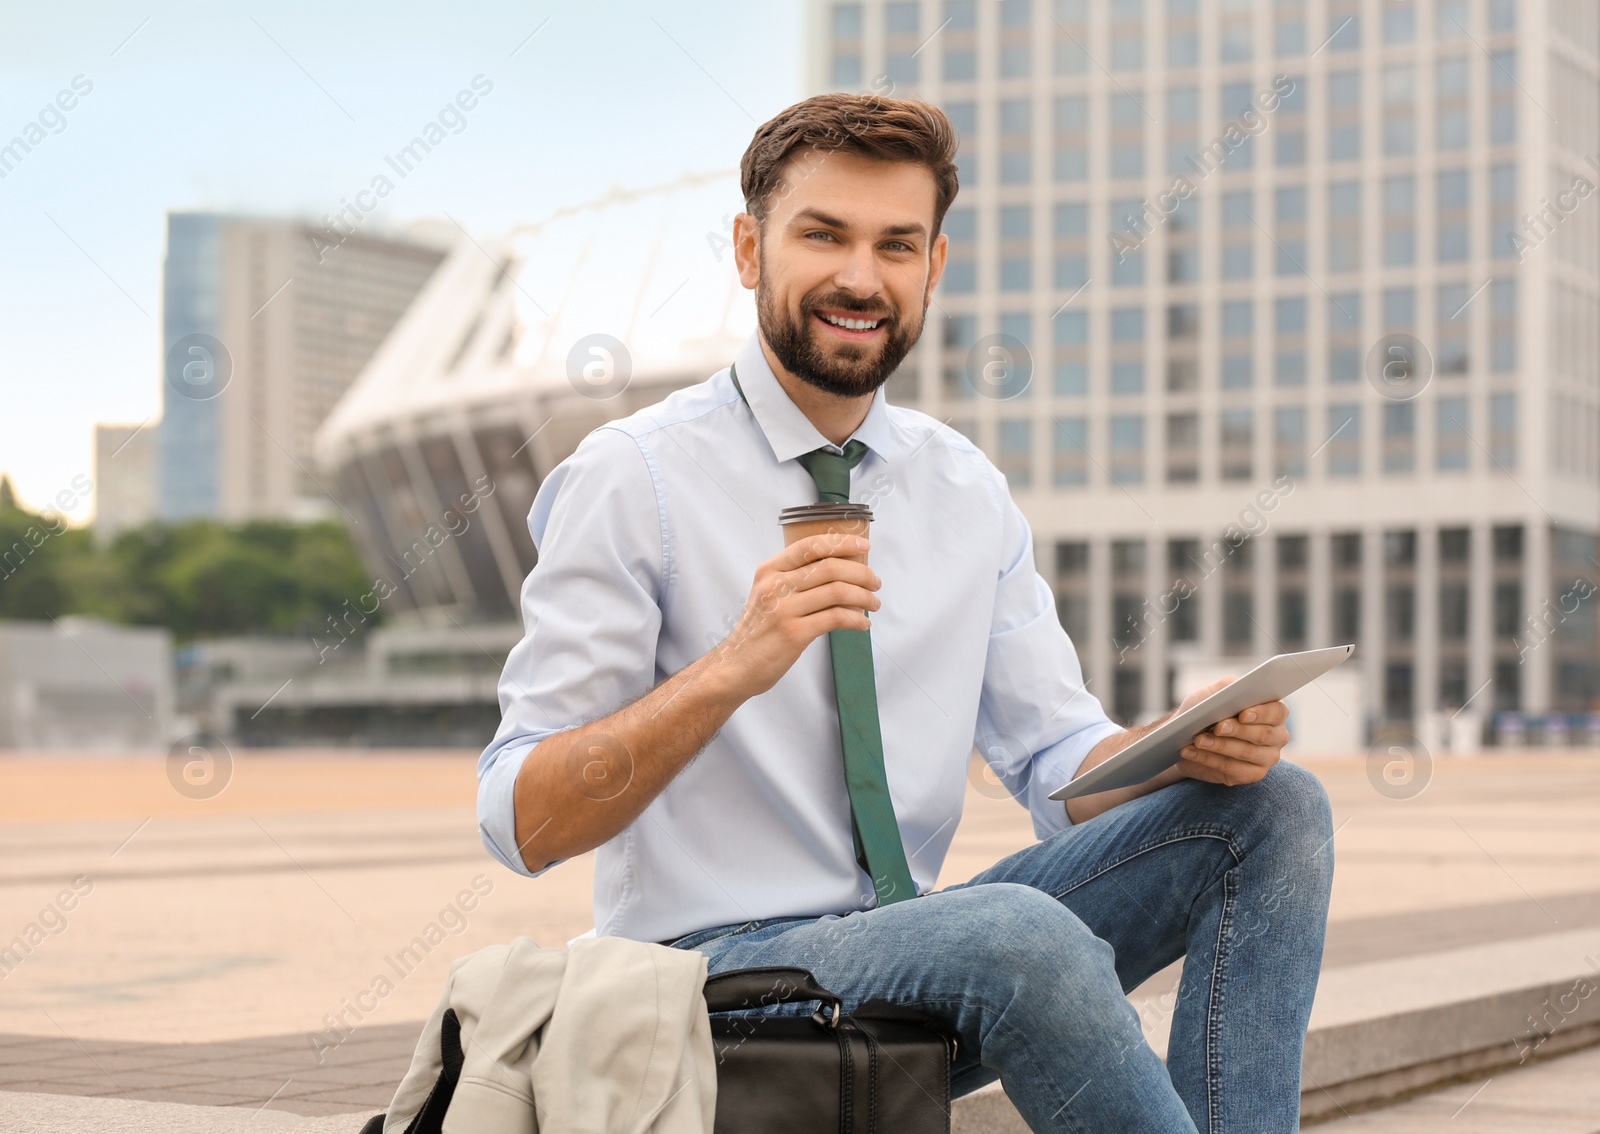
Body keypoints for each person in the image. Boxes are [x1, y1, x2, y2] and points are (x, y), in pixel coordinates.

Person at [477, 92, 1333, 1133]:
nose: (859, 277)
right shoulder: (634, 478)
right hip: (705, 979)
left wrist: (1180, 745)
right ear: (749, 250)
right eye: (822, 235)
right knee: (1016, 933)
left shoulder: (963, 489)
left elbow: (1060, 766)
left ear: (933, 268)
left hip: (915, 951)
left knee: (1277, 809)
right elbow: (520, 819)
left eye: (896, 245)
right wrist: (732, 668)